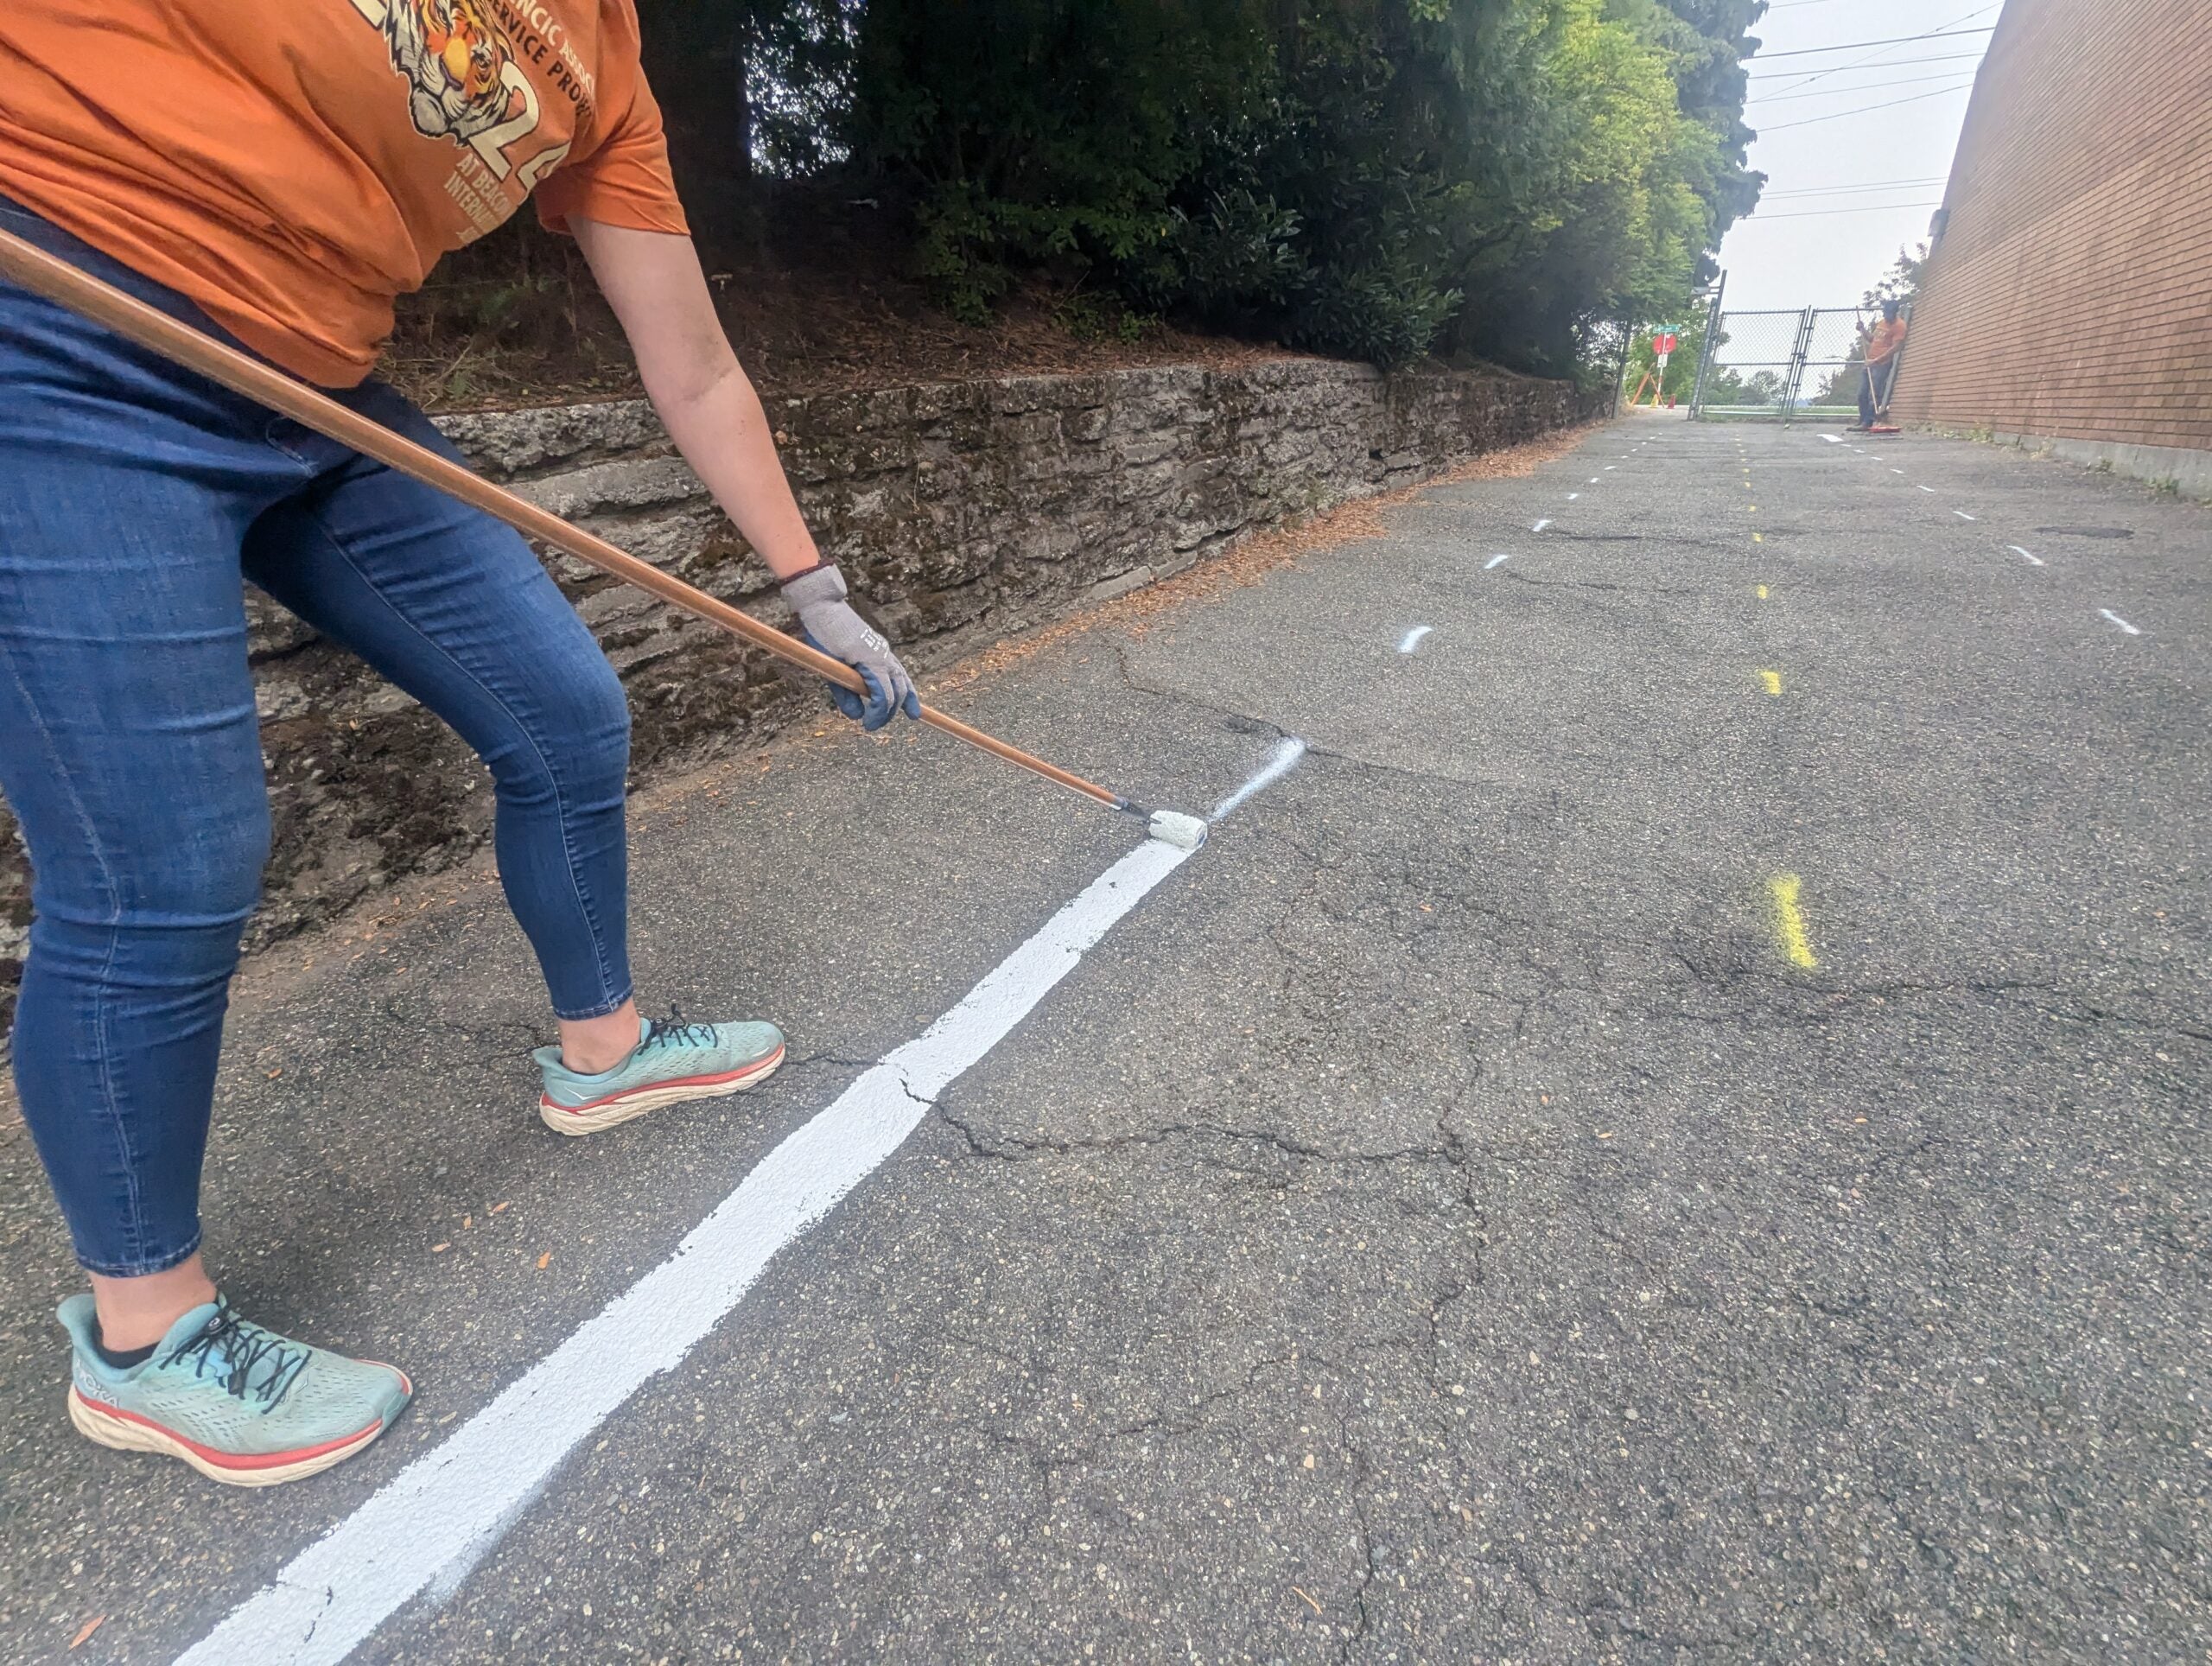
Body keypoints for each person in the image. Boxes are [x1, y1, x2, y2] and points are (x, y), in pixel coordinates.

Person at [0, 0, 920, 1486]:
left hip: (316, 390)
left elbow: (692, 366)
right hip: (55, 322)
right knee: (165, 858)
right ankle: (146, 1337)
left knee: (564, 710)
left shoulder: (605, 63)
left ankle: (605, 1048)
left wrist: (816, 592)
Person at [1858, 298, 1909, 429]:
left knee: (1874, 394)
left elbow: (1896, 347)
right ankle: (1862, 419)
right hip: (1869, 362)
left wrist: (1877, 360)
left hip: (1881, 364)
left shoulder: (1900, 326)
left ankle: (1867, 422)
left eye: (1889, 314)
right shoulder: (1882, 323)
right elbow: (1872, 340)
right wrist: (1862, 330)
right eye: (1885, 313)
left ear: (1895, 313)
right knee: (1862, 393)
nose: (1887, 316)